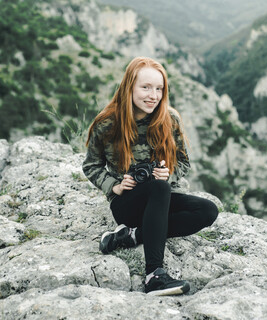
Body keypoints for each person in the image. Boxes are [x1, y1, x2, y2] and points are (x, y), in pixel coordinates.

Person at [82, 56, 218, 296]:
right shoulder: (107, 123)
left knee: (208, 210)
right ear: (129, 87)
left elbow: (184, 162)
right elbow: (91, 166)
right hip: (126, 205)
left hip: (160, 199)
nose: (153, 95)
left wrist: (168, 174)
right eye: (145, 87)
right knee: (159, 189)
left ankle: (129, 237)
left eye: (159, 89)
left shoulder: (169, 119)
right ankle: (155, 275)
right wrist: (115, 186)